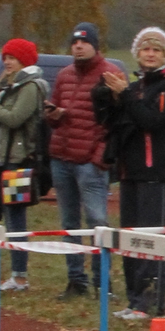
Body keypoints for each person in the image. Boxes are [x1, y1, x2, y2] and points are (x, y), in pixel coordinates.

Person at [95, 27, 165, 318]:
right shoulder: (134, 87)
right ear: (137, 53)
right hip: (129, 171)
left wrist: (126, 96)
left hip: (154, 172)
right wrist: (109, 98)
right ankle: (134, 300)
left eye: (156, 49)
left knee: (150, 239)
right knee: (129, 239)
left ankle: (151, 302)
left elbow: (153, 120)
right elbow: (116, 123)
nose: (150, 54)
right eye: (145, 49)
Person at [0, 40, 47, 292]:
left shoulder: (30, 87)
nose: (7, 62)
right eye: (5, 57)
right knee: (8, 216)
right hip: (3, 158)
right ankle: (17, 273)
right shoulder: (8, 85)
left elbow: (14, 118)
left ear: (24, 60)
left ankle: (20, 275)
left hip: (19, 160)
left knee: (16, 218)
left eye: (12, 58)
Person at [47, 22, 114, 297]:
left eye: (84, 42)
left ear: (95, 46)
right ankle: (76, 281)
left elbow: (113, 122)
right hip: (61, 158)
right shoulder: (64, 75)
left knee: (97, 221)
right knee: (68, 223)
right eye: (75, 42)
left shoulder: (110, 74)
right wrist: (53, 115)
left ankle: (102, 283)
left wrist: (99, 158)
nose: (78, 46)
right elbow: (52, 110)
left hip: (90, 163)